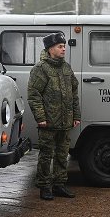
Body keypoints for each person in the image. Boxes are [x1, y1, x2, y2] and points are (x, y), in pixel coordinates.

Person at [27, 32, 81, 200]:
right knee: (46, 155)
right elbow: (34, 94)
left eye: (64, 46)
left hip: (65, 121)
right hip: (48, 122)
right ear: (50, 49)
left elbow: (73, 93)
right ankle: (44, 187)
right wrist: (40, 117)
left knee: (62, 154)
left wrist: (76, 115)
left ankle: (59, 185)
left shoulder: (66, 67)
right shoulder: (40, 68)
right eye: (60, 46)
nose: (64, 49)